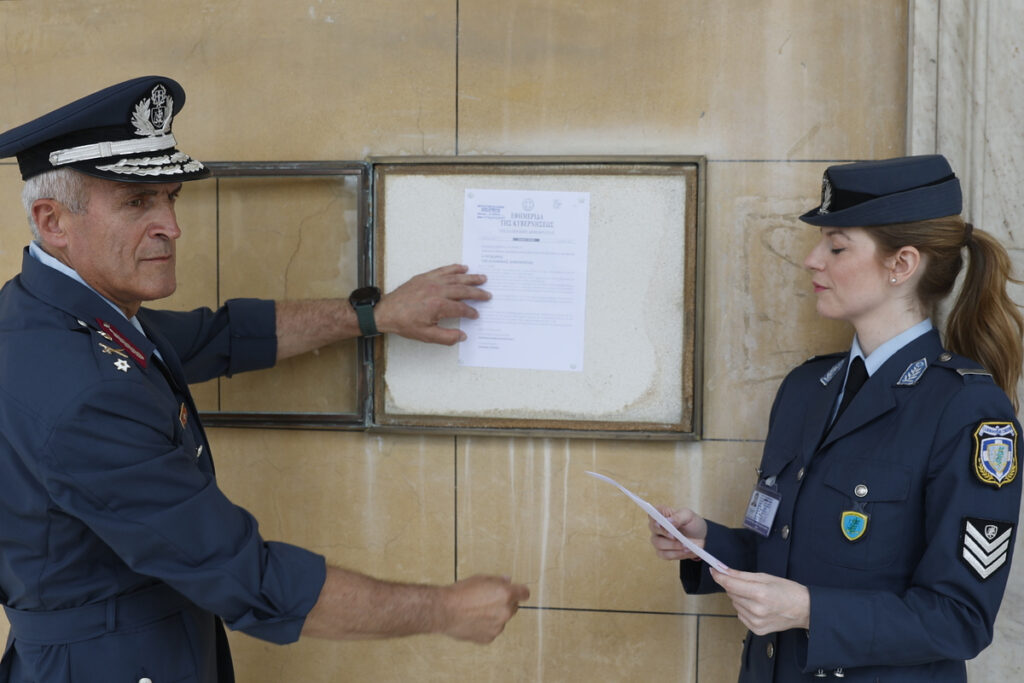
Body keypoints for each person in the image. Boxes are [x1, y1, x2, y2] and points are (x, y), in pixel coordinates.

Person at [0, 76, 529, 683]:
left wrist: (375, 314)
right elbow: (246, 579)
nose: (172, 227)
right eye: (136, 203)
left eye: (170, 198)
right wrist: (447, 610)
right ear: (52, 220)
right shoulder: (84, 389)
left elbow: (221, 337)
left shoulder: (51, 315)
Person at [649, 155, 1023, 681]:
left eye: (837, 245)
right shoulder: (807, 389)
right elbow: (791, 550)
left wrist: (808, 611)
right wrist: (708, 543)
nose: (811, 260)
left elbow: (959, 619)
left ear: (902, 264)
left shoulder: (966, 410)